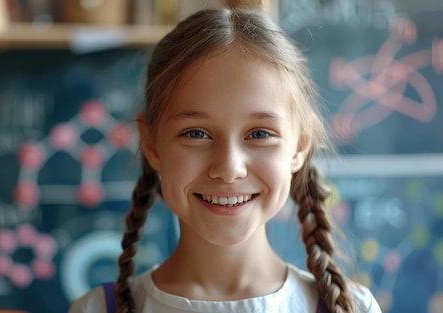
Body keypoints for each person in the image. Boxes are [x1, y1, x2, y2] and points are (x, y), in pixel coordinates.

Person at [69, 3, 382, 313]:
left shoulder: (355, 308)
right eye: (196, 134)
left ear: (299, 146)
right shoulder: (93, 310)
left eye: (259, 134)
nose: (229, 168)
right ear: (151, 144)